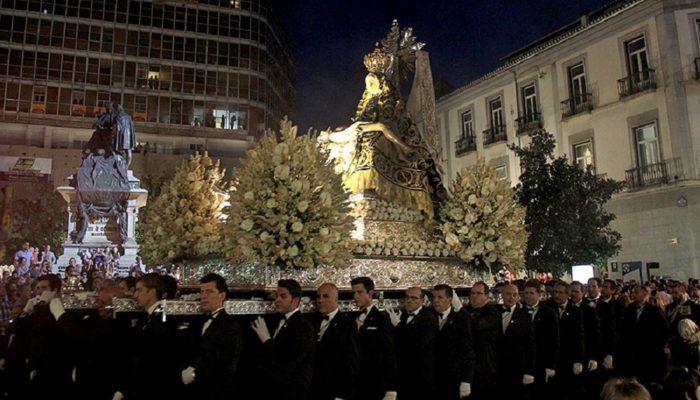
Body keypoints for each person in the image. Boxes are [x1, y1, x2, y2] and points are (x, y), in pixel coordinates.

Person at [115, 273, 181, 400]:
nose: (135, 295)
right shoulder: (147, 318)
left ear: (152, 292)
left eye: (139, 290)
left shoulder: (163, 319)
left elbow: (150, 360)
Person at [250, 279, 315, 400]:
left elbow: (288, 363)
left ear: (295, 300)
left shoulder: (303, 327)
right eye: (276, 296)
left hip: (293, 392)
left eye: (283, 296)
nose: (277, 300)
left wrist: (267, 341)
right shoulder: (279, 320)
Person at [180, 273, 241, 400]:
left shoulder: (229, 325)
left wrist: (195, 374)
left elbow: (226, 363)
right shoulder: (198, 321)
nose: (203, 296)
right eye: (202, 292)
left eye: (209, 292)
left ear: (222, 295)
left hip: (215, 392)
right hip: (192, 390)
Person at [351, 276, 397, 400]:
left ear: (370, 293)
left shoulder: (381, 319)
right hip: (354, 384)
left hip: (374, 383)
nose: (355, 296)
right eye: (353, 292)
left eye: (359, 292)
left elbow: (388, 353)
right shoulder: (350, 319)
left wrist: (391, 388)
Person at [311, 282, 360, 400]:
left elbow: (351, 360)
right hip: (313, 390)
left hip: (335, 391)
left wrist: (342, 395)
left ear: (336, 299)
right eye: (318, 296)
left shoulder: (347, 324)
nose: (320, 300)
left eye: (325, 296)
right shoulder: (312, 321)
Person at [389, 287, 437, 400]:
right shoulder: (403, 315)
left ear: (422, 300)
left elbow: (416, 344)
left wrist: (398, 325)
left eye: (414, 298)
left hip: (421, 377)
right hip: (403, 375)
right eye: (407, 297)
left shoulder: (428, 318)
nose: (409, 300)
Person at [432, 284, 474, 400]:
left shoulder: (461, 320)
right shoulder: (429, 317)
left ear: (450, 299)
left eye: (440, 297)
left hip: (453, 378)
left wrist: (466, 380)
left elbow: (467, 351)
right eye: (434, 297)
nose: (435, 301)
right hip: (432, 378)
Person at [620, 285, 669, 384]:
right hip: (633, 351)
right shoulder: (629, 309)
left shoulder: (654, 310)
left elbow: (665, 329)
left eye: (636, 292)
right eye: (633, 292)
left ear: (644, 294)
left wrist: (660, 345)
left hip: (650, 351)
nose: (633, 295)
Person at [522, 279, 559, 400]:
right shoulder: (518, 311)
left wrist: (551, 364)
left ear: (539, 294)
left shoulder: (549, 313)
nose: (528, 296)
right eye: (526, 293)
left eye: (531, 293)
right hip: (523, 361)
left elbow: (554, 339)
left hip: (542, 359)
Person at [496, 283, 535, 399]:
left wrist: (529, 371)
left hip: (517, 368)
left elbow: (530, 345)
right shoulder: (494, 312)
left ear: (518, 297)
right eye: (508, 294)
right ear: (502, 295)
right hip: (496, 367)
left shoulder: (525, 316)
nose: (511, 297)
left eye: (514, 295)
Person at [464, 281, 499, 400]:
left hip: (484, 364)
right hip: (466, 363)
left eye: (479, 293)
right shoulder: (466, 310)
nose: (474, 296)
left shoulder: (492, 312)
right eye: (472, 293)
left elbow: (478, 325)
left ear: (486, 296)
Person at [667, 281, 700, 369]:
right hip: (675, 344)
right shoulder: (670, 307)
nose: (673, 295)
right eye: (672, 293)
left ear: (683, 291)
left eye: (676, 293)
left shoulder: (693, 306)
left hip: (689, 344)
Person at [109, 102, 136, 167]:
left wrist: (113, 135)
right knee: (129, 153)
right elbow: (132, 128)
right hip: (129, 136)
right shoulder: (129, 117)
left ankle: (120, 165)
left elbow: (115, 128)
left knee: (112, 147)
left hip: (121, 136)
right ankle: (126, 167)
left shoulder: (117, 117)